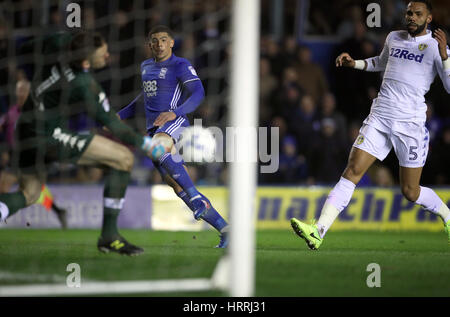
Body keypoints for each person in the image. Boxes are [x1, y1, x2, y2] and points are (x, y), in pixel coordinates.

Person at [291, 0, 450, 249]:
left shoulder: (435, 47)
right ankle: (318, 230)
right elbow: (381, 62)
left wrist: (445, 56)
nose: (412, 17)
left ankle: (447, 215)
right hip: (380, 117)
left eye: (418, 14)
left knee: (410, 191)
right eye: (409, 12)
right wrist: (355, 63)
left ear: (429, 18)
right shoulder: (394, 37)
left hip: (410, 125)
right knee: (352, 171)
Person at [0, 31, 166, 256]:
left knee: (29, 193)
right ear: (86, 62)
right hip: (50, 137)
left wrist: (27, 73)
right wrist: (146, 144)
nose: (108, 57)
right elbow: (113, 126)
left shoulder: (58, 41)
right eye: (103, 55)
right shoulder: (85, 85)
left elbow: (25, 47)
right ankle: (109, 236)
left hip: (25, 130)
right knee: (123, 158)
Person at [118, 25, 229, 248]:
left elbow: (198, 92)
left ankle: (196, 197)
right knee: (177, 187)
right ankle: (226, 229)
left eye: (163, 40)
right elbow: (144, 99)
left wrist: (175, 112)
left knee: (156, 146)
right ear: (149, 45)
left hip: (174, 122)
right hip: (155, 129)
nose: (159, 44)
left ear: (171, 43)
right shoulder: (146, 66)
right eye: (155, 40)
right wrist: (120, 115)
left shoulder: (180, 64)